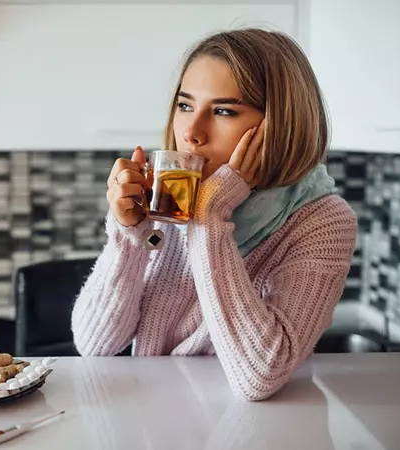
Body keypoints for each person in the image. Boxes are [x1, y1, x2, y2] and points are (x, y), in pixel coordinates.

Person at [70, 28, 358, 402]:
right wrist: (129, 234)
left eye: (223, 111)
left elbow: (261, 377)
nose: (191, 132)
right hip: (155, 421)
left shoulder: (322, 222)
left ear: (281, 125)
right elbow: (95, 344)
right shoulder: (169, 196)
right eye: (185, 105)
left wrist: (209, 217)